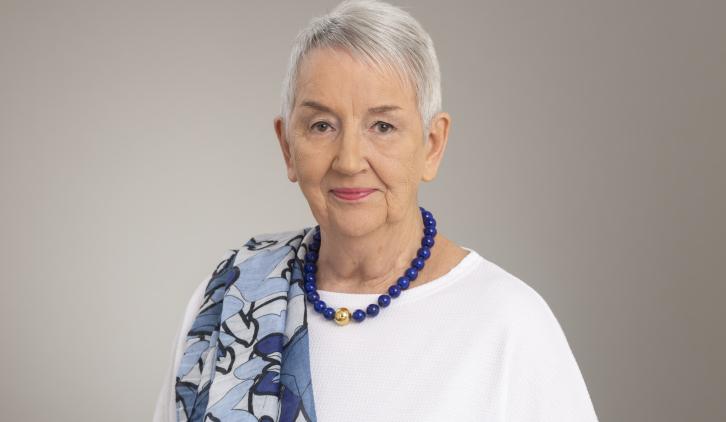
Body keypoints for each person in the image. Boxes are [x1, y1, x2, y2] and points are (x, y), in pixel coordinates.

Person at [153, 0, 599, 421]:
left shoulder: (508, 322)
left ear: (432, 145)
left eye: (382, 126)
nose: (349, 161)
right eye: (321, 125)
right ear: (287, 146)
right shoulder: (227, 299)